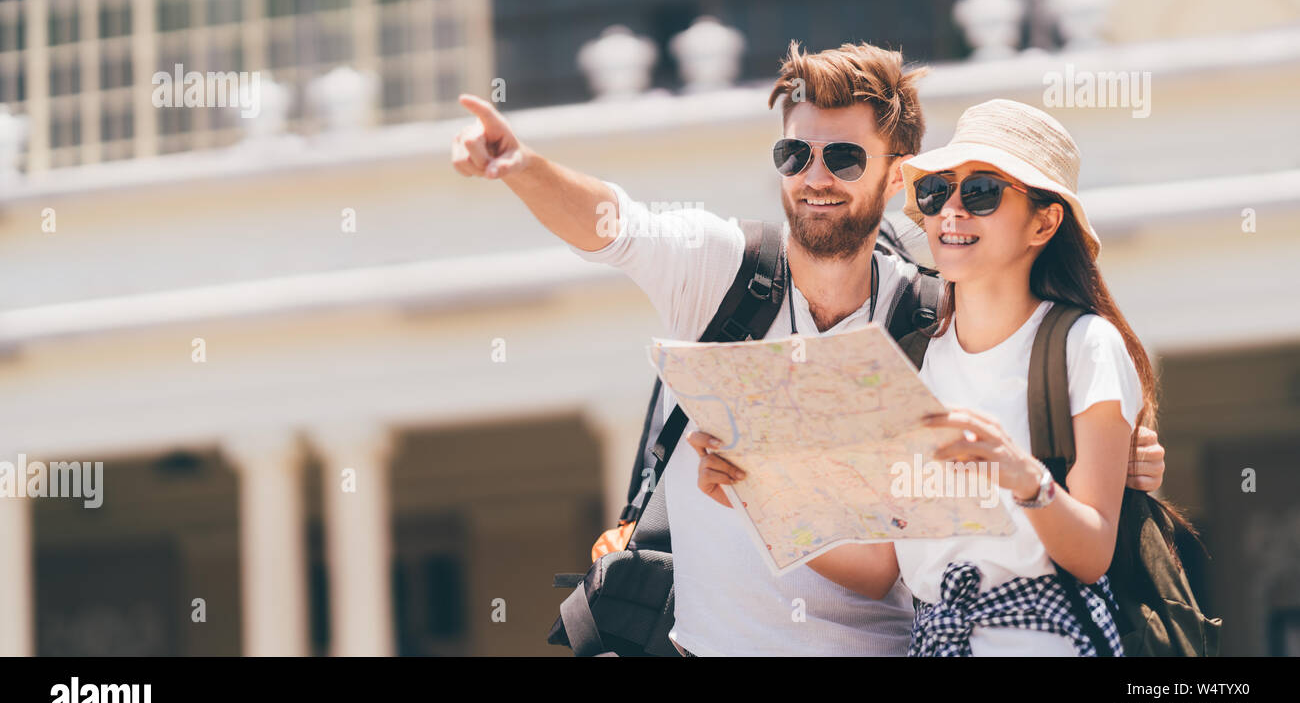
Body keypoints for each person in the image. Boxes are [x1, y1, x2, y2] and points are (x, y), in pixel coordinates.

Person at [451, 46, 1166, 656]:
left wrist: (1113, 453)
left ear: (894, 178)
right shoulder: (721, 270)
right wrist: (521, 166)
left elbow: (898, 552)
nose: (814, 177)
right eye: (795, 153)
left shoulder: (929, 321)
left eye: (844, 156)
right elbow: (615, 225)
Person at [701, 98, 1148, 655]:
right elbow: (879, 567)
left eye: (982, 193)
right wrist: (753, 487)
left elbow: (1091, 552)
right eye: (936, 192)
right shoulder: (910, 358)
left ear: (1044, 221)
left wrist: (1023, 479)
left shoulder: (1085, 346)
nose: (950, 212)